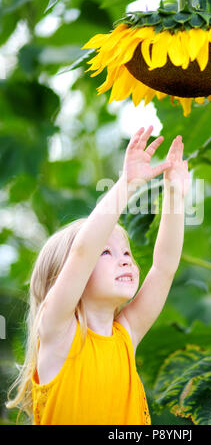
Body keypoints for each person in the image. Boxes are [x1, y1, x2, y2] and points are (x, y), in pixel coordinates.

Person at [6, 125, 190, 425]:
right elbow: (81, 252)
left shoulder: (125, 335)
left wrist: (174, 196)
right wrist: (126, 185)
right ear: (64, 279)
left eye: (127, 253)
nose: (125, 261)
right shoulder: (58, 332)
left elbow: (164, 267)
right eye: (105, 253)